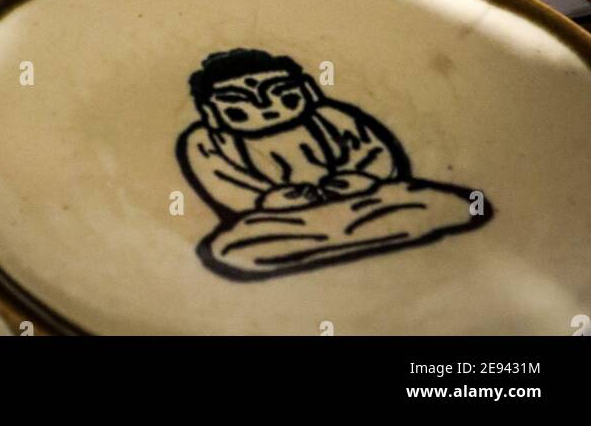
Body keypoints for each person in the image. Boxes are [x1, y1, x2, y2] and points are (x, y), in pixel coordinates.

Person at [177, 49, 489, 280]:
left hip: (365, 202)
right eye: (240, 106)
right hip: (287, 220)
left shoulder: (333, 118)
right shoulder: (206, 142)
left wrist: (359, 179)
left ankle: (353, 233)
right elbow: (225, 183)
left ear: (308, 91)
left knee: (432, 201)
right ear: (213, 114)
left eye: (279, 96)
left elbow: (374, 153)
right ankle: (354, 235)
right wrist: (271, 200)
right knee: (232, 247)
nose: (267, 110)